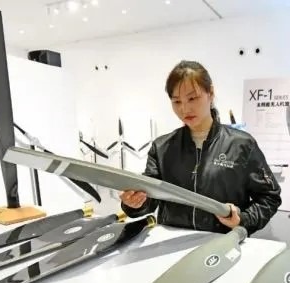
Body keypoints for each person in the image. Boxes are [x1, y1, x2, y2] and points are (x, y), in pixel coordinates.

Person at [119, 60, 281, 235]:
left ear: (210, 93)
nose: (184, 108)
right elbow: (150, 199)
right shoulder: (162, 148)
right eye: (176, 101)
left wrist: (242, 219)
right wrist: (134, 203)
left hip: (222, 242)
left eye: (192, 98)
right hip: (171, 242)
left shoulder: (242, 145)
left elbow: (269, 198)